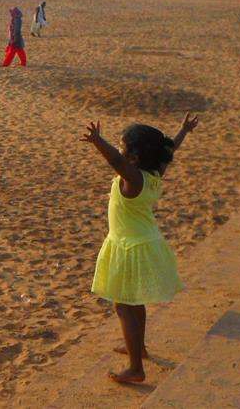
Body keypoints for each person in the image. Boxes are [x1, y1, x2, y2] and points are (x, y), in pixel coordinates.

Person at [81, 114, 198, 383]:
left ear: (134, 158)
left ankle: (135, 368)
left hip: (130, 246)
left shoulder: (133, 180)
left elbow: (116, 161)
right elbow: (169, 150)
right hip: (145, 242)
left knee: (123, 306)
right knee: (135, 302)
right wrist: (182, 131)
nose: (120, 150)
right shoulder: (155, 172)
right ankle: (139, 348)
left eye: (123, 146)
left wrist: (99, 142)